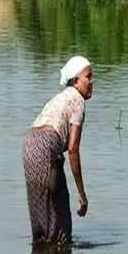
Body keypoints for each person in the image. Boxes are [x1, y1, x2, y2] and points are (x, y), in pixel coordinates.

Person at [23, 56, 93, 244]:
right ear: (76, 81)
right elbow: (72, 150)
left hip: (29, 144)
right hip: (47, 146)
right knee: (61, 222)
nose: (92, 82)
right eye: (88, 77)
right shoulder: (77, 100)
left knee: (40, 212)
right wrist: (82, 194)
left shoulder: (60, 97)